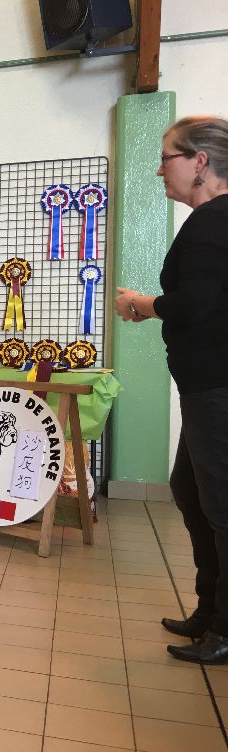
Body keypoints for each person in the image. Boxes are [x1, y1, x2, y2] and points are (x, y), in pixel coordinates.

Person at [114, 115, 228, 665]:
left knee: (220, 506)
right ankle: (210, 611)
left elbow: (199, 303)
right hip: (204, 386)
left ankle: (224, 628)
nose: (160, 169)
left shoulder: (212, 223)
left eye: (169, 158)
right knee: (190, 490)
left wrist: (142, 306)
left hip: (216, 388)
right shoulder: (210, 221)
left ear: (200, 163)